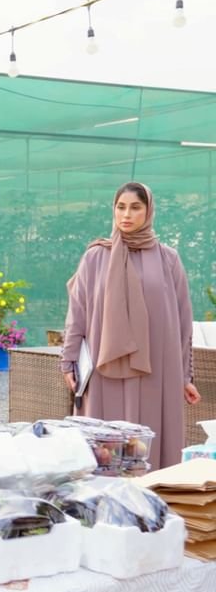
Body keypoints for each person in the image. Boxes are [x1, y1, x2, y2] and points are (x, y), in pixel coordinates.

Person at [61, 181, 200, 469]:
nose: (126, 214)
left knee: (152, 439)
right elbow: (78, 313)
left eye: (136, 207)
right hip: (103, 366)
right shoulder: (96, 257)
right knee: (103, 443)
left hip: (158, 368)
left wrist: (185, 376)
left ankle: (153, 500)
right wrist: (68, 361)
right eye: (120, 207)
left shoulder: (168, 259)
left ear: (148, 211)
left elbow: (184, 321)